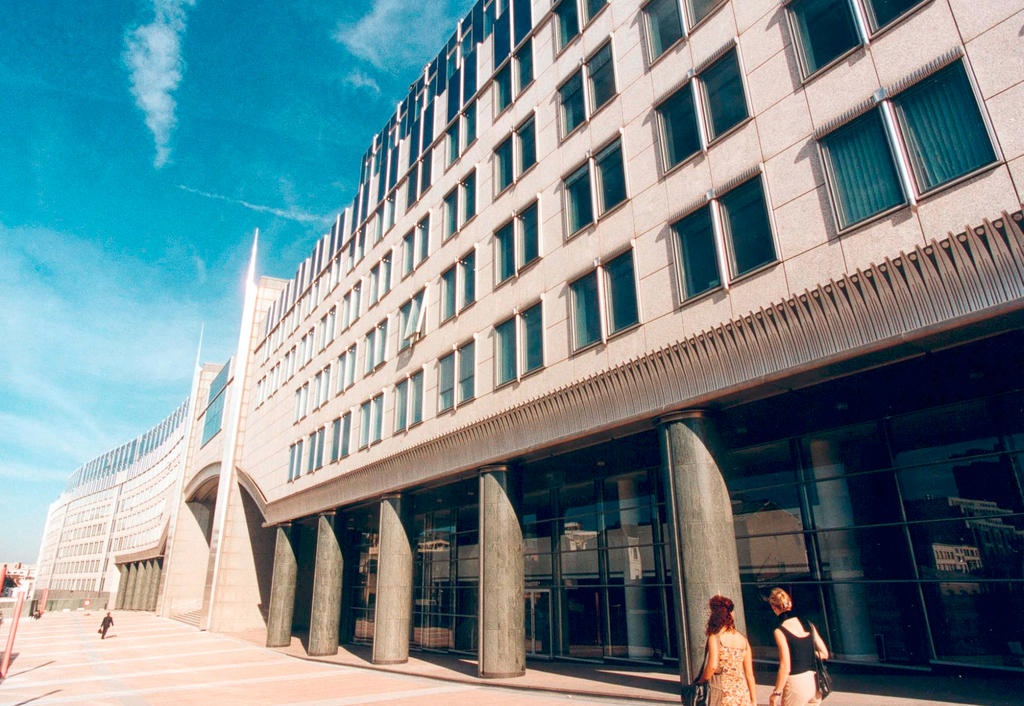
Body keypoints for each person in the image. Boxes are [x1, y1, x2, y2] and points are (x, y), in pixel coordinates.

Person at [768, 588, 829, 706]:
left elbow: (785, 666)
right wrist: (806, 654)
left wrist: (776, 693)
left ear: (774, 607)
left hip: (796, 683)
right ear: (790, 603)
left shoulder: (780, 631)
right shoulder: (808, 624)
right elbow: (824, 654)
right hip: (814, 682)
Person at [698, 595, 757, 706]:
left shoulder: (715, 638)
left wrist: (701, 681)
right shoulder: (743, 640)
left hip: (723, 694)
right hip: (742, 694)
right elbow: (749, 674)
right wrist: (753, 700)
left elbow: (712, 666)